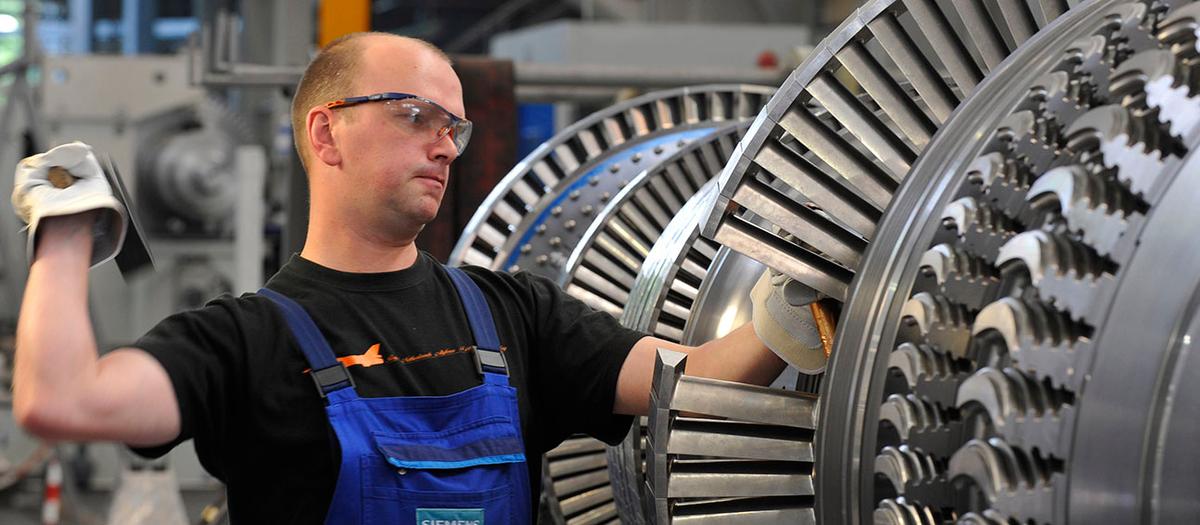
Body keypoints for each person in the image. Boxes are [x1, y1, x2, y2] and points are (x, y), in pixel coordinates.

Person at [9, 32, 824, 524]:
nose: (443, 144)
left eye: (454, 128)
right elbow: (62, 399)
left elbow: (694, 383)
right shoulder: (243, 341)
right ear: (326, 134)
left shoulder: (513, 315)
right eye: (413, 115)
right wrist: (68, 228)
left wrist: (792, 303)